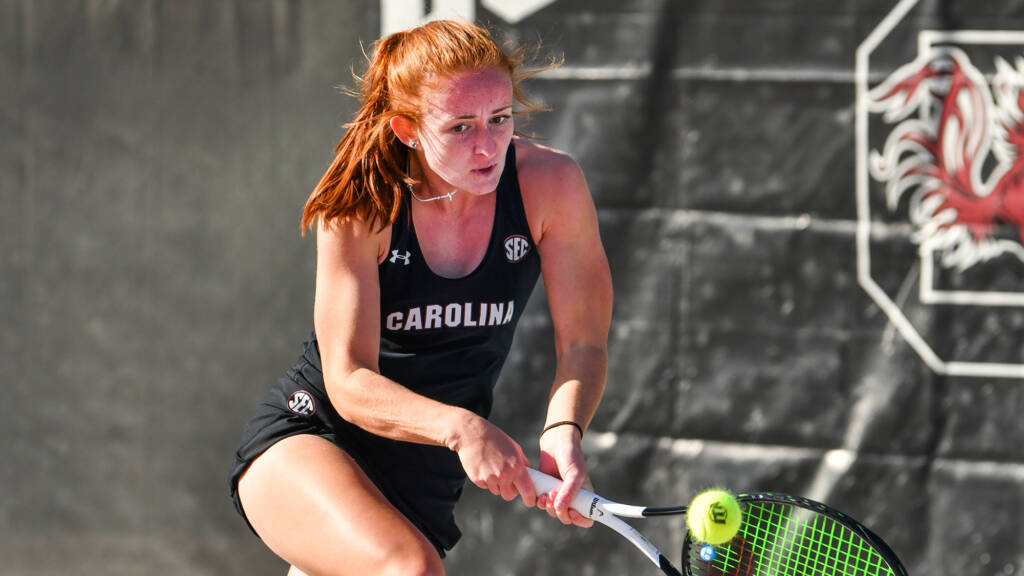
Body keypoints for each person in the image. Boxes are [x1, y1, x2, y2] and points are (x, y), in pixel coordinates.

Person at [229, 19, 612, 576]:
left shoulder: (551, 185)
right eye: (460, 127)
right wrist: (462, 428)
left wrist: (564, 429)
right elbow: (349, 379)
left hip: (423, 483)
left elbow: (584, 342)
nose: (487, 145)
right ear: (407, 129)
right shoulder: (364, 203)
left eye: (499, 119)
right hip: (313, 438)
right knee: (410, 570)